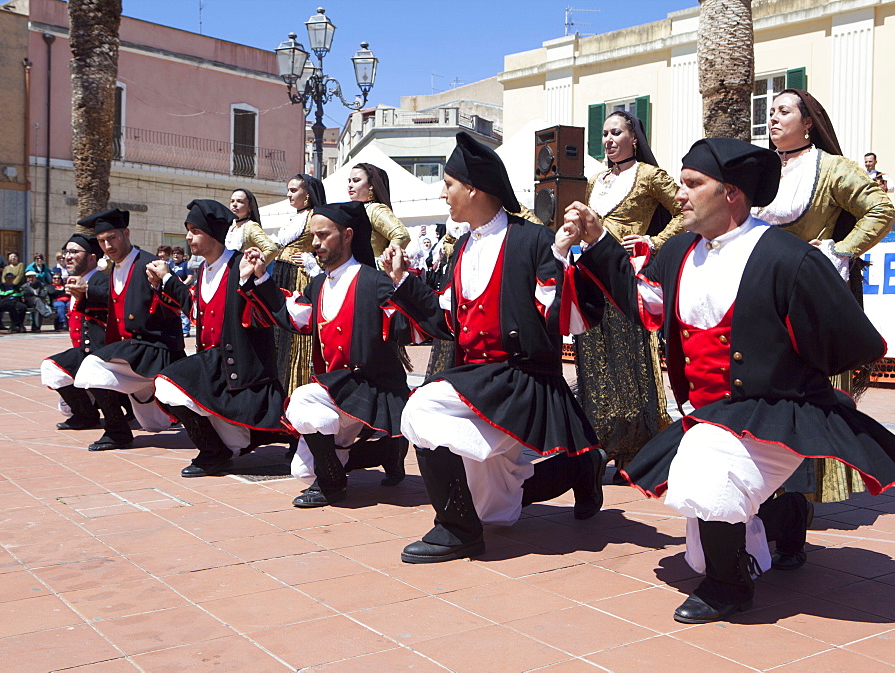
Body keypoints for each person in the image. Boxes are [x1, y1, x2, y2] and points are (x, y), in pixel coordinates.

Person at [559, 137, 895, 624]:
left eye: (693, 184)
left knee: (705, 474)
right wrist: (598, 241)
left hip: (779, 410)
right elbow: (645, 305)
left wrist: (803, 377)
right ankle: (783, 519)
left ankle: (728, 586)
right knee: (700, 487)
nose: (680, 194)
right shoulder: (678, 251)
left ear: (731, 193)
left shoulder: (787, 257)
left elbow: (853, 341)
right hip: (708, 415)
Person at [382, 132, 605, 564]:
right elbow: (447, 321)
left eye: (448, 184)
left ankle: (456, 529)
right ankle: (580, 465)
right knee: (497, 511)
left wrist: (560, 262)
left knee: (424, 408)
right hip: (478, 381)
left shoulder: (533, 239)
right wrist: (402, 282)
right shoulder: (463, 246)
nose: (443, 193)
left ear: (473, 188)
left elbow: (565, 318)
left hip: (521, 380)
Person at [756, 88, 895, 502]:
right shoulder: (760, 170)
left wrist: (840, 250)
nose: (773, 118)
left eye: (783, 111)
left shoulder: (832, 169)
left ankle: (799, 504)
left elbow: (882, 210)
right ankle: (767, 494)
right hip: (762, 300)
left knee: (808, 399)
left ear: (809, 122)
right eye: (771, 112)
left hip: (810, 301)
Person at [241, 201, 411, 506]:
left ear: (347, 235)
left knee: (304, 399)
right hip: (335, 390)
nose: (315, 244)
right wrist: (260, 277)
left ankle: (333, 483)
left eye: (322, 235)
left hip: (372, 389)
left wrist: (402, 283)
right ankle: (383, 451)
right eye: (313, 237)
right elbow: (293, 316)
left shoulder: (374, 282)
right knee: (301, 471)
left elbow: (407, 325)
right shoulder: (318, 284)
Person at [576, 111, 683, 480]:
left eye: (616, 132)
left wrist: (653, 242)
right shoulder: (594, 181)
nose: (608, 139)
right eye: (604, 133)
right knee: (594, 361)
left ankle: (637, 447)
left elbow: (685, 209)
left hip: (626, 277)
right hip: (590, 275)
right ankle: (602, 439)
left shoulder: (650, 175)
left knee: (631, 360)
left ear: (634, 137)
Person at [154, 200, 292, 477]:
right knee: (168, 388)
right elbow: (198, 311)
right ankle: (222, 448)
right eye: (188, 230)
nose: (188, 237)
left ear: (214, 233)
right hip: (212, 363)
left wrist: (252, 278)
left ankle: (215, 452)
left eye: (195, 230)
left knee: (168, 383)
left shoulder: (241, 264)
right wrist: (167, 280)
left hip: (239, 366)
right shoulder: (203, 269)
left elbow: (267, 309)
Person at [72, 209, 191, 451]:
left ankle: (120, 430)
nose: (108, 245)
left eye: (113, 238)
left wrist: (164, 283)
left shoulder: (149, 264)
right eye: (102, 241)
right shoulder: (114, 268)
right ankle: (121, 427)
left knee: (93, 366)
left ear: (126, 233)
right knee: (91, 368)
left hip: (156, 349)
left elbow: (178, 304)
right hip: (131, 350)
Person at [41, 233, 108, 431]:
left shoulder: (99, 281)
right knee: (65, 406)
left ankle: (88, 414)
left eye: (74, 252)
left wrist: (87, 292)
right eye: (66, 252)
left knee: (51, 367)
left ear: (91, 258)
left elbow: (112, 304)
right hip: (83, 352)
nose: (67, 257)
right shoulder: (75, 280)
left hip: (99, 353)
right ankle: (88, 409)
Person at [269, 174, 326, 395]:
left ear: (308, 194)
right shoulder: (296, 216)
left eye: (293, 190)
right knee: (280, 332)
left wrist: (312, 260)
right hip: (282, 275)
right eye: (289, 190)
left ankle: (297, 387)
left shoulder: (314, 216)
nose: (288, 194)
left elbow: (326, 247)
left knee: (296, 335)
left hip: (299, 276)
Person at [347, 163, 411, 260]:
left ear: (371, 185)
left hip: (370, 272)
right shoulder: (355, 210)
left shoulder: (375, 209)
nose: (350, 185)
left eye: (356, 180)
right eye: (349, 181)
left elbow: (402, 235)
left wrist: (382, 263)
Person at [226, 188, 278, 258]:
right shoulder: (230, 227)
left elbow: (272, 249)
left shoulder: (251, 226)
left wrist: (255, 264)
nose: (234, 204)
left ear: (250, 207)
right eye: (232, 201)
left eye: (240, 201)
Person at [168, 246, 194, 336]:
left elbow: (190, 277)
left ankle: (185, 331)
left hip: (183, 290)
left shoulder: (186, 264)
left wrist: (181, 286)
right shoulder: (170, 265)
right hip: (172, 291)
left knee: (183, 312)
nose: (176, 255)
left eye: (178, 253)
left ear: (182, 255)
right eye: (174, 253)